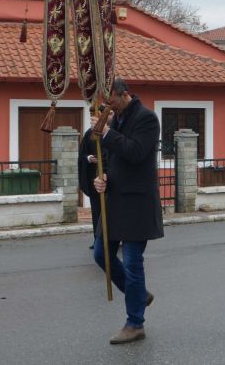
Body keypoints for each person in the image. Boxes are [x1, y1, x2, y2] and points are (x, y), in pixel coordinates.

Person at [89, 78, 163, 345]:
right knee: (101, 255)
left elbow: (136, 152)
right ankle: (139, 294)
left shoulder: (147, 118)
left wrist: (107, 134)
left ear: (124, 95)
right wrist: (103, 177)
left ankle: (135, 323)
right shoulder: (117, 119)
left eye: (111, 102)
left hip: (137, 203)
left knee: (132, 262)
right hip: (115, 200)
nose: (108, 108)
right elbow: (113, 160)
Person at [79, 110, 111, 249]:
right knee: (97, 211)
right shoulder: (89, 134)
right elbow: (82, 154)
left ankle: (114, 238)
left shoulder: (114, 133)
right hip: (95, 179)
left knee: (111, 211)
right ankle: (98, 240)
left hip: (111, 178)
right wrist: (89, 158)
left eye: (109, 114)